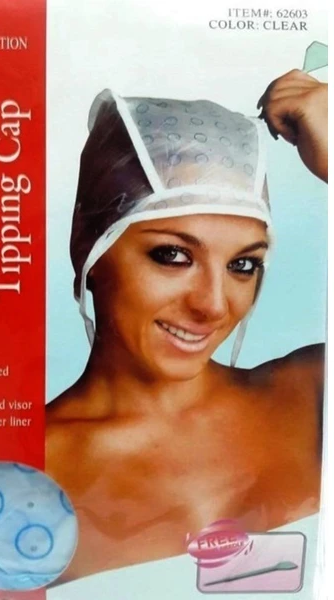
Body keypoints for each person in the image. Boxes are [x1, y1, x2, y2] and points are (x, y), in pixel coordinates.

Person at [46, 69, 328, 583]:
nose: (213, 305)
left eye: (243, 264)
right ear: (87, 245)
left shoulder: (315, 394)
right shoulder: (25, 474)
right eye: (172, 255)